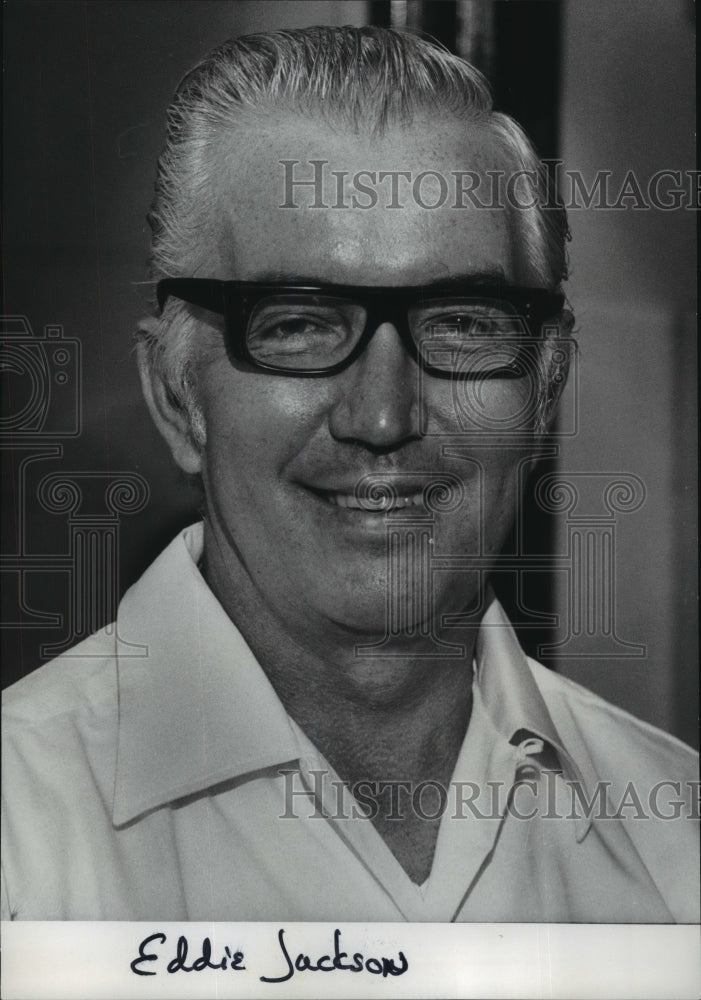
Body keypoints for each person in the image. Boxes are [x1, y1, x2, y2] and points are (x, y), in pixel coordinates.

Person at [2, 25, 697, 923]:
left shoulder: (675, 841)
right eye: (295, 322)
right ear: (178, 398)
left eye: (461, 322)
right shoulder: (21, 834)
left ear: (545, 384)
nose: (381, 417)